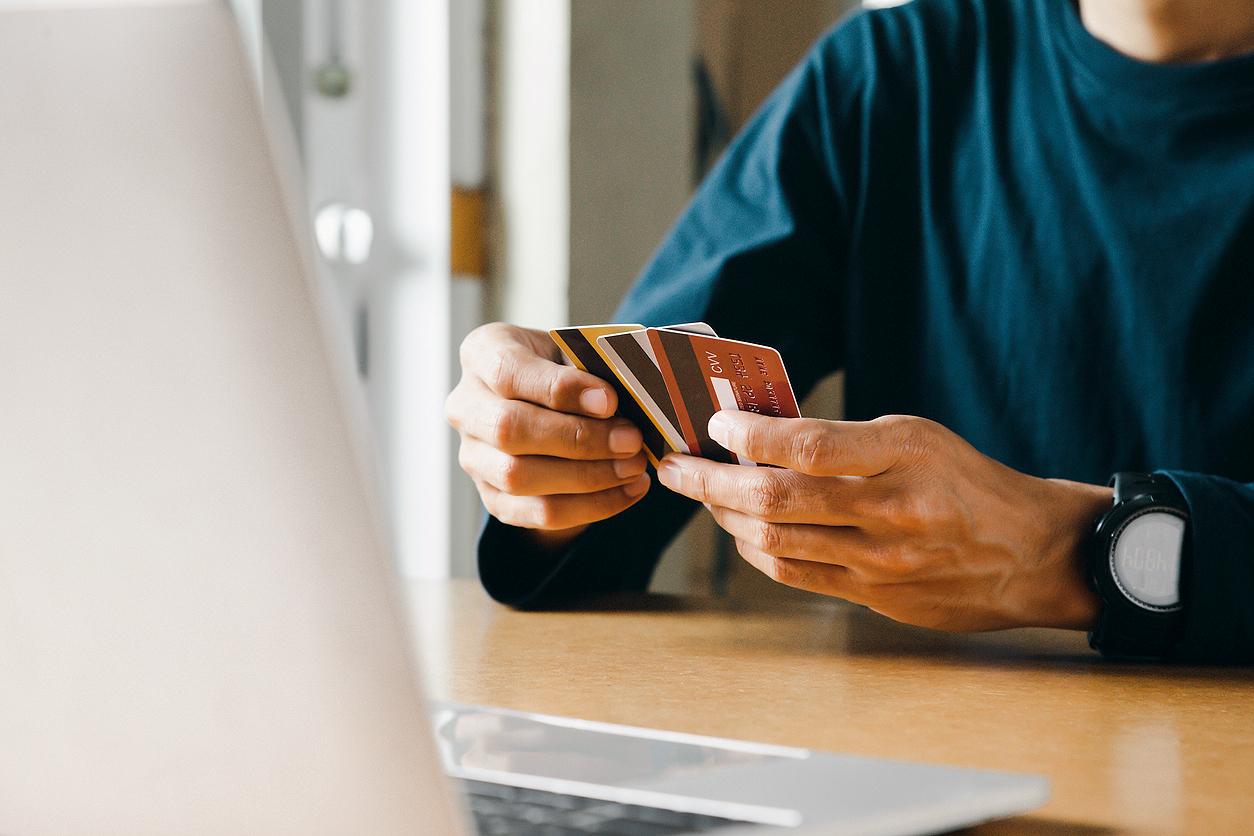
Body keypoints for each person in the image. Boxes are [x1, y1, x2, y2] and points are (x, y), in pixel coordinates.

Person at [445, 0, 1254, 663]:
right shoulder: (888, 82)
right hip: (929, 765)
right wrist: (552, 447)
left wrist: (1065, 553)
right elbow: (629, 466)